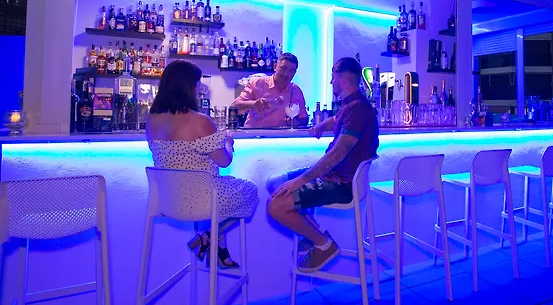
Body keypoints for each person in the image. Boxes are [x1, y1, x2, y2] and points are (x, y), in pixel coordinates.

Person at [266, 57, 379, 273]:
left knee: (276, 206)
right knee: (274, 183)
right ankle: (315, 233)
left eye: (332, 77)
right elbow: (337, 119)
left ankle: (324, 245)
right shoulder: (353, 105)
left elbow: (337, 154)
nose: (330, 82)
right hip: (334, 175)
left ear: (343, 79)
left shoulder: (358, 110)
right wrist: (321, 125)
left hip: (343, 183)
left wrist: (299, 181)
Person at [146, 59, 259, 268]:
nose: (199, 90)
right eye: (198, 85)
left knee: (216, 194)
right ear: (190, 86)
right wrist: (228, 142)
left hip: (167, 200)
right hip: (203, 200)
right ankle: (208, 235)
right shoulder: (199, 120)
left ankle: (216, 244)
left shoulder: (152, 119)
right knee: (251, 190)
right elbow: (224, 161)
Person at [231, 52, 308, 128]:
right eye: (283, 68)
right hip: (254, 134)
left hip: (282, 135)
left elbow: (304, 119)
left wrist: (297, 123)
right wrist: (253, 104)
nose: (286, 74)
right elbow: (234, 108)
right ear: (275, 67)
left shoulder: (295, 91)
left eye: (291, 71)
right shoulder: (257, 84)